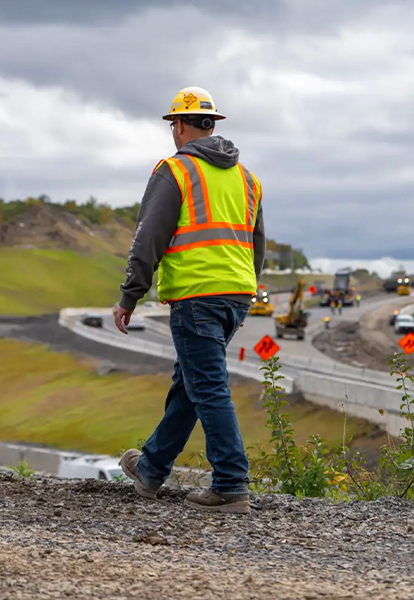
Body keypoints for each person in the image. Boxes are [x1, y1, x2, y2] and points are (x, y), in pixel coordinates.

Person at [113, 87, 265, 515]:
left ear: (178, 125)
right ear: (212, 124)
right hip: (236, 294)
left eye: (174, 124)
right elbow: (258, 245)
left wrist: (130, 296)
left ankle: (231, 484)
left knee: (208, 387)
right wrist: (243, 289)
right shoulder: (248, 179)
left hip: (197, 296)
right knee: (191, 384)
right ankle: (151, 469)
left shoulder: (175, 171)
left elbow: (148, 238)